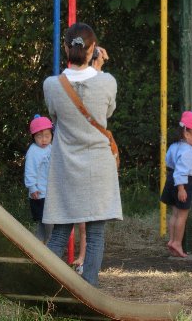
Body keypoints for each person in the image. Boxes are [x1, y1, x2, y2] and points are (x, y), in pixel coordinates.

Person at [42, 22, 120, 287]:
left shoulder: (51, 85)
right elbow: (106, 114)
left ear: (65, 48)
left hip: (66, 163)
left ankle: (47, 288)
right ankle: (90, 292)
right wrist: (97, 70)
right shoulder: (108, 81)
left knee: (61, 230)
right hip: (99, 163)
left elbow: (55, 116)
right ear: (93, 50)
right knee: (96, 233)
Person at [160, 110, 192, 258]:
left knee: (175, 214)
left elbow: (169, 162)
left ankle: (172, 240)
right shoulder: (189, 151)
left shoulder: (174, 146)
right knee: (182, 216)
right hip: (183, 183)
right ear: (187, 134)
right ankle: (178, 243)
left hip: (170, 180)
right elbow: (181, 171)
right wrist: (181, 189)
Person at [24, 114, 54, 244]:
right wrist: (32, 187)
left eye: (47, 136)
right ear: (33, 137)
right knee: (46, 222)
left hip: (50, 193)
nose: (44, 140)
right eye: (39, 136)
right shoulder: (33, 151)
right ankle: (47, 245)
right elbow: (30, 171)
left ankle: (42, 243)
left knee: (46, 222)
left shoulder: (51, 148)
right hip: (39, 193)